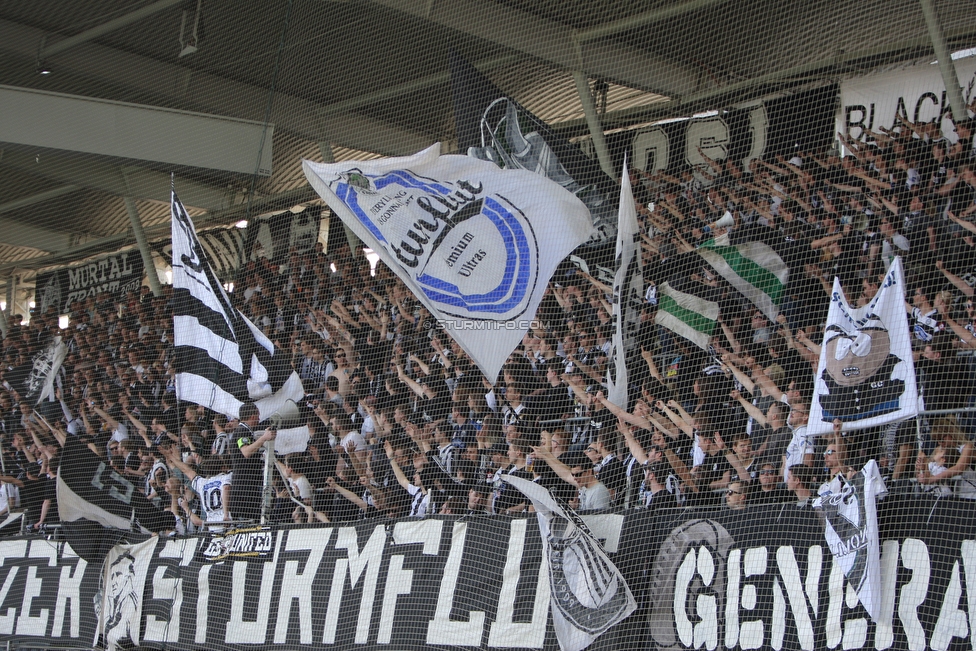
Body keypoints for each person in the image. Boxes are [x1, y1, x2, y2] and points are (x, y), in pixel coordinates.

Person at [228, 404, 276, 522]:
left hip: (248, 487)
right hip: (244, 490)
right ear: (253, 416)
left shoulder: (246, 432)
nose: (259, 418)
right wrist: (263, 438)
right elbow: (246, 452)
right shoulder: (242, 431)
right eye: (258, 415)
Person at [531, 448, 610, 511]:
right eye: (573, 474)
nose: (575, 478)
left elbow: (601, 520)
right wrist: (545, 455)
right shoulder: (583, 485)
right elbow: (564, 473)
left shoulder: (599, 491)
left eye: (578, 474)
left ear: (589, 472)